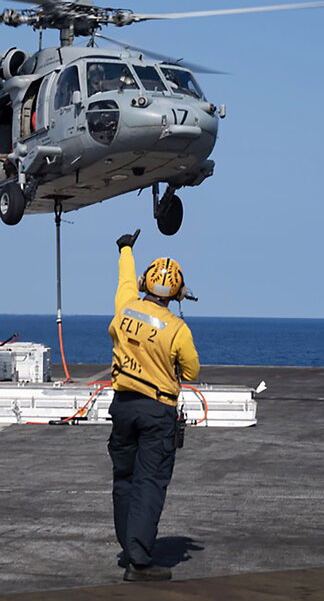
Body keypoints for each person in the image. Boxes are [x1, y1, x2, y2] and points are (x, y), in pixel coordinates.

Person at [107, 229, 200, 582]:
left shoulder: (127, 307)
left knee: (124, 479)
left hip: (123, 406)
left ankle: (128, 547)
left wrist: (126, 248)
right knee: (150, 483)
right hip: (156, 412)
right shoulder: (176, 329)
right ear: (176, 293)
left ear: (147, 283)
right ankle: (140, 562)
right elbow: (191, 370)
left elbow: (125, 279)